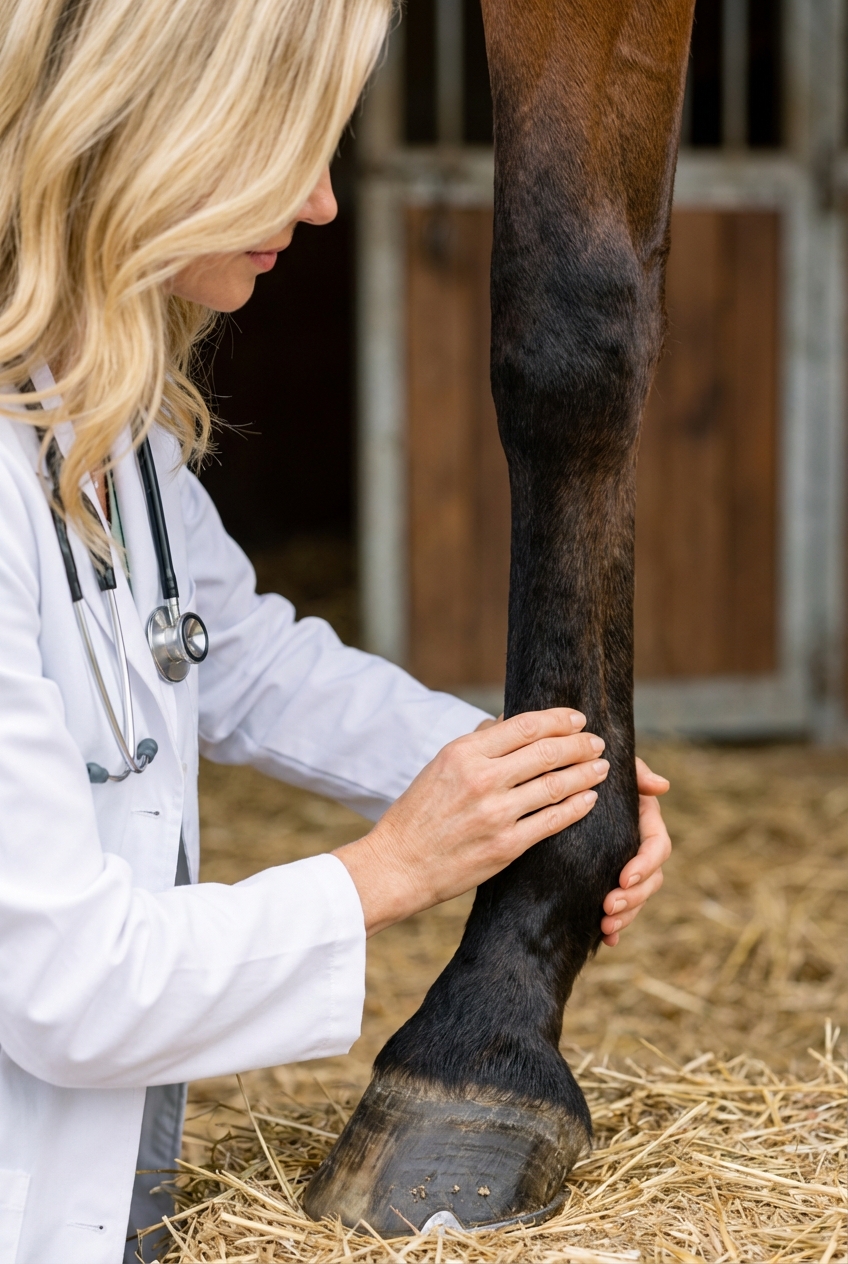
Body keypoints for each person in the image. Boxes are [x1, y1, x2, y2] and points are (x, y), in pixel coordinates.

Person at [0, 1, 671, 1261]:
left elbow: (243, 656)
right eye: (288, 147)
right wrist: (393, 870)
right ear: (158, 131)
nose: (319, 203)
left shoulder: (108, 436)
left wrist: (546, 785)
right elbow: (67, 988)